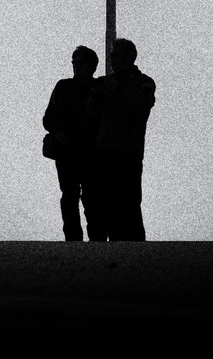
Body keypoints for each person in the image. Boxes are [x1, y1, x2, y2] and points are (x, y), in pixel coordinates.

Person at [86, 37, 156, 241]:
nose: (112, 59)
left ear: (129, 57)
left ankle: (135, 252)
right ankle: (116, 249)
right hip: (105, 152)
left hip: (128, 152)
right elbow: (90, 113)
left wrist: (115, 89)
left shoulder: (143, 82)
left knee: (129, 203)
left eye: (115, 55)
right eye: (111, 55)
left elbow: (140, 107)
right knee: (106, 203)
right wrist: (96, 95)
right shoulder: (105, 83)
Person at [43, 45, 104, 242]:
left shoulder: (98, 90)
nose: (76, 66)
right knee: (69, 197)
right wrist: (58, 131)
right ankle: (73, 242)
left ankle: (97, 241)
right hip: (66, 154)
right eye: (74, 62)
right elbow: (48, 117)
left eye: (80, 63)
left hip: (90, 154)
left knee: (92, 199)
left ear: (91, 66)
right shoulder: (63, 87)